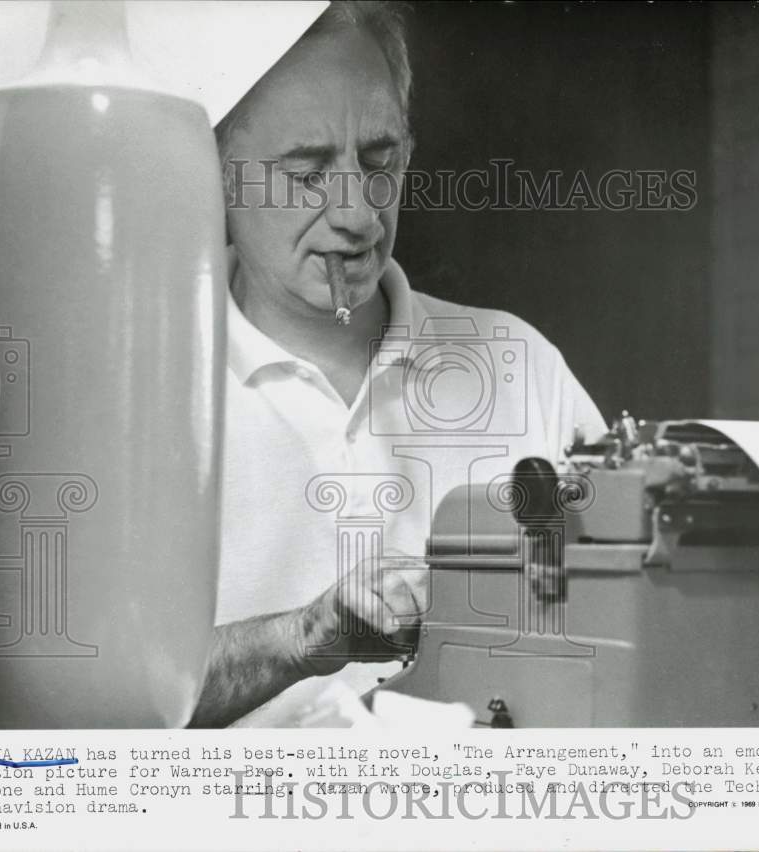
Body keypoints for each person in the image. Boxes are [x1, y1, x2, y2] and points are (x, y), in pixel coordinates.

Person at [189, 2, 607, 727]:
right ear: (221, 177)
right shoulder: (145, 388)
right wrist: (302, 638)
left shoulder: (522, 367)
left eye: (378, 161)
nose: (356, 214)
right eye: (309, 172)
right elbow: (83, 705)